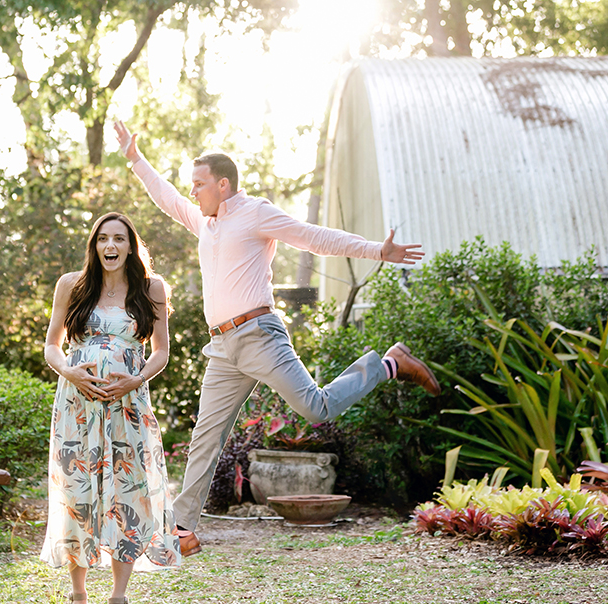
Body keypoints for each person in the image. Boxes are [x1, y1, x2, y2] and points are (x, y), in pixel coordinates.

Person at [113, 121, 441, 556]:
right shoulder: (205, 222)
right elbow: (167, 198)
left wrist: (377, 250)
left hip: (259, 334)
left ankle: (388, 364)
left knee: (315, 407)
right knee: (205, 436)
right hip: (223, 348)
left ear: (223, 184)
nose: (192, 191)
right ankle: (183, 529)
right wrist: (135, 158)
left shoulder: (254, 212)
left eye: (199, 184)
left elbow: (314, 238)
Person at [40, 212, 180, 604]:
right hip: (77, 407)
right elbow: (51, 345)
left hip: (128, 406)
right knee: (78, 496)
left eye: (119, 238)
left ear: (130, 245)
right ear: (94, 245)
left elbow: (161, 351)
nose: (110, 246)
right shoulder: (72, 285)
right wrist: (72, 371)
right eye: (103, 238)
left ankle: (118, 602)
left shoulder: (151, 289)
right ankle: (78, 598)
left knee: (126, 496)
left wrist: (135, 379)